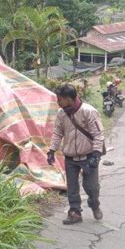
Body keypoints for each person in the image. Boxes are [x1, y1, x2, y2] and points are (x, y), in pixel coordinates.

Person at [47, 84, 105, 225]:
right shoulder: (61, 114)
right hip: (70, 157)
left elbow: (98, 135)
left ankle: (94, 203)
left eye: (59, 99)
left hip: (89, 156)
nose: (57, 102)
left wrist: (96, 155)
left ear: (69, 99)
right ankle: (75, 212)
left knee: (91, 187)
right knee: (72, 188)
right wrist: (52, 150)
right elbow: (57, 133)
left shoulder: (88, 111)